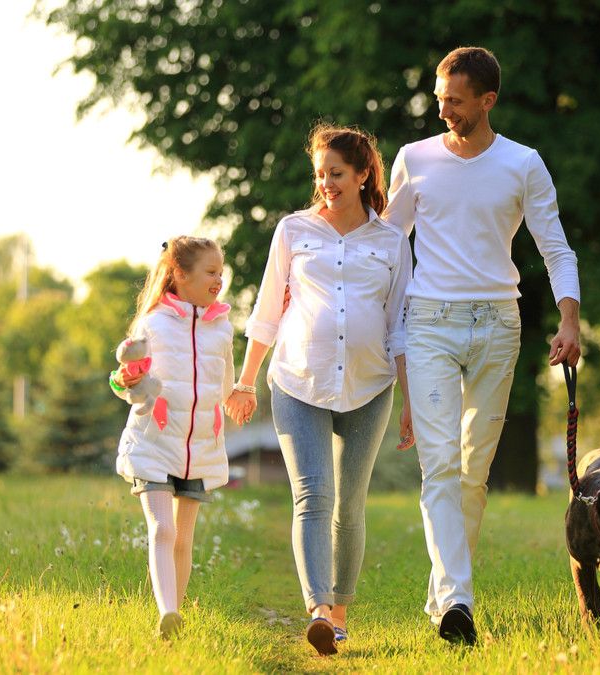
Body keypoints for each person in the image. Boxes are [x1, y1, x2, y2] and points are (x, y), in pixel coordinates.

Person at [383, 46, 582, 644]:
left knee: (473, 472)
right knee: (440, 464)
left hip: (499, 324)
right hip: (430, 322)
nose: (442, 110)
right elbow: (388, 248)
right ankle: (459, 604)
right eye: (439, 98)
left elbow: (556, 249)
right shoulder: (413, 160)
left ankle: (443, 595)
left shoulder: (523, 164)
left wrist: (570, 322)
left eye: (455, 101)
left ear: (487, 101)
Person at [225, 124, 413, 656]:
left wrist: (410, 401)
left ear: (362, 175)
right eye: (320, 175)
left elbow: (399, 326)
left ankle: (342, 611)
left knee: (348, 504)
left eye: (336, 174)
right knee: (313, 495)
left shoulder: (392, 241)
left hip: (370, 386)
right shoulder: (293, 230)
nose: (326, 184)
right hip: (297, 381)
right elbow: (265, 313)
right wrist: (244, 381)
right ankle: (319, 613)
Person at [111, 235, 235, 639]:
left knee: (184, 537)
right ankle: (166, 612)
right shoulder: (153, 324)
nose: (219, 279)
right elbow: (128, 382)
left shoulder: (222, 327)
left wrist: (238, 400)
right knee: (162, 529)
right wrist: (131, 379)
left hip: (199, 446)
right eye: (210, 272)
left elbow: (226, 384)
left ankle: (174, 618)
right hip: (155, 441)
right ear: (181, 275)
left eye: (221, 271)